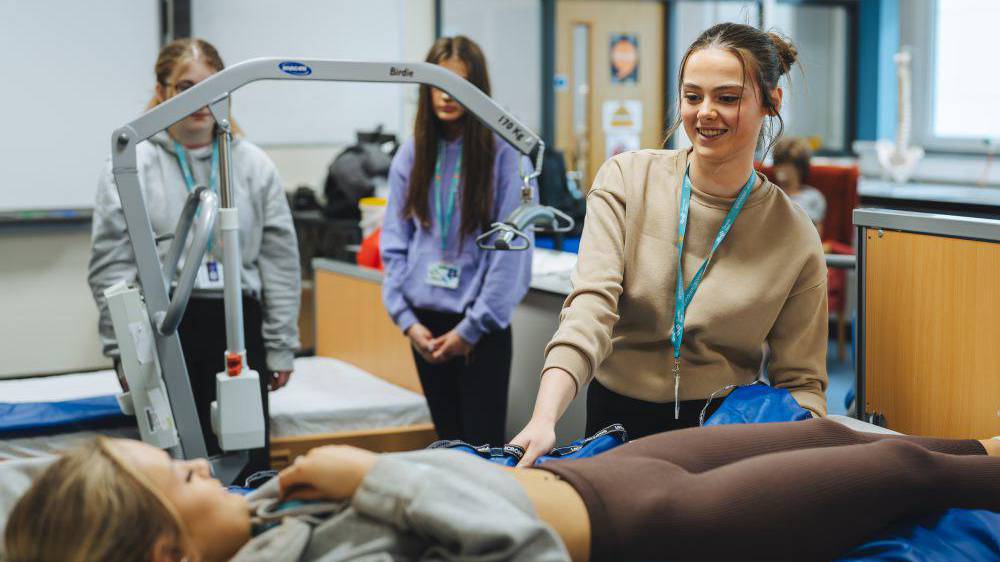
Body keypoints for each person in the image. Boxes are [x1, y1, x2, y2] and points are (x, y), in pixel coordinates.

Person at [8, 419, 1000, 562]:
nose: (206, 470)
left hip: (593, 471)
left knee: (835, 430)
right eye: (185, 478)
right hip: (644, 524)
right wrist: (380, 474)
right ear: (167, 554)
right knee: (900, 476)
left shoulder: (256, 530)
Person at [512, 23, 829, 465]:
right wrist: (544, 417)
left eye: (727, 97)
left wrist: (794, 458)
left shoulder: (794, 233)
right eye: (693, 96)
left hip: (720, 435)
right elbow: (589, 309)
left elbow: (801, 383)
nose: (705, 113)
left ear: (771, 103)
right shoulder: (626, 179)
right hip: (615, 422)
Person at [88, 38, 301, 474]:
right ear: (162, 90)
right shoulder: (131, 165)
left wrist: (281, 348)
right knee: (175, 469)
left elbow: (280, 264)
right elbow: (112, 265)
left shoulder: (254, 166)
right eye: (185, 86)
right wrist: (122, 351)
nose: (200, 100)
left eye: (212, 87)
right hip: (165, 328)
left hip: (239, 322)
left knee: (246, 460)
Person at [380, 36, 535, 446]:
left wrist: (470, 330)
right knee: (447, 446)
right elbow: (394, 245)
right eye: (438, 84)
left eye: (460, 85)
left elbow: (511, 255)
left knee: (483, 451)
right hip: (424, 328)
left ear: (478, 89)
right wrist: (407, 321)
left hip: (479, 331)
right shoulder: (412, 154)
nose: (448, 96)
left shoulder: (506, 152)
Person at [772, 136, 826, 234]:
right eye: (778, 163)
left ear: (800, 169)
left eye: (787, 164)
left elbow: (816, 235)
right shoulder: (769, 193)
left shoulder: (813, 197)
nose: (781, 168)